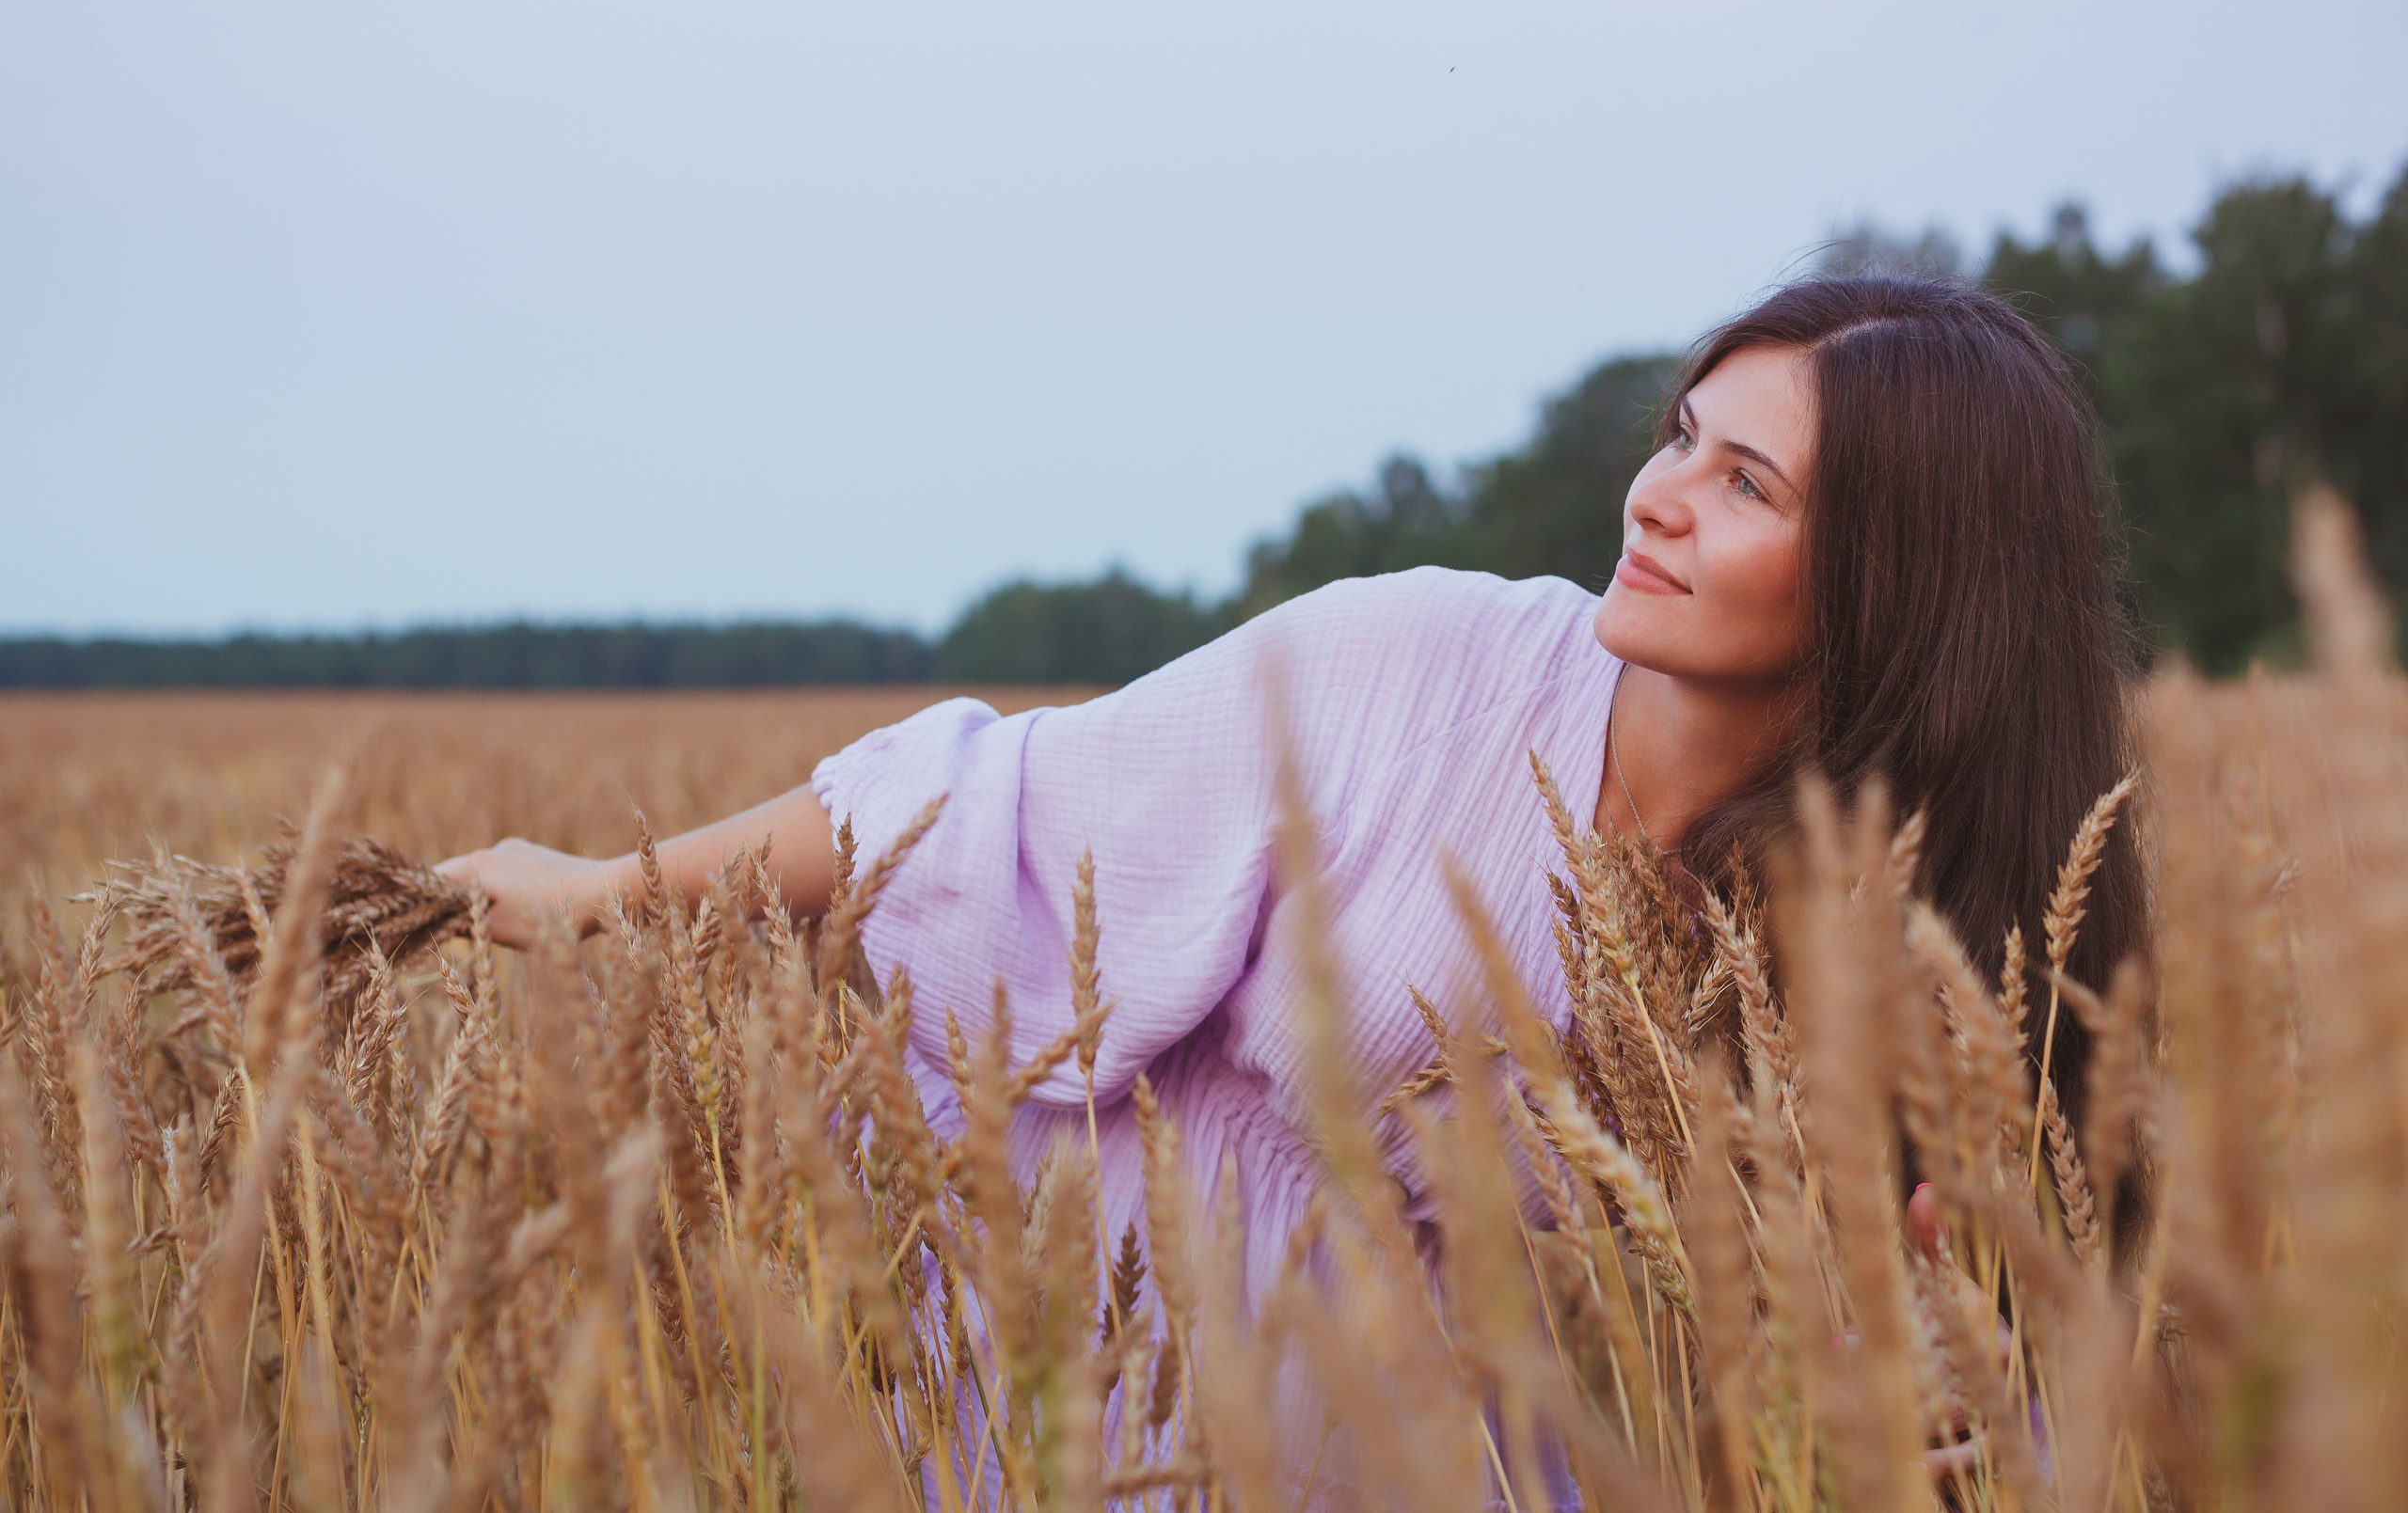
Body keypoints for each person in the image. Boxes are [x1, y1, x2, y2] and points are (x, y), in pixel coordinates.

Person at [436, 270, 2140, 1335]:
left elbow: (1911, 1320)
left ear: (1898, 580)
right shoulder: (1420, 661)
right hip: (1116, 1361)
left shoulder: (1924, 923)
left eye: (1745, 480)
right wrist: (600, 892)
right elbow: (984, 806)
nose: (1657, 496)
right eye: (1680, 435)